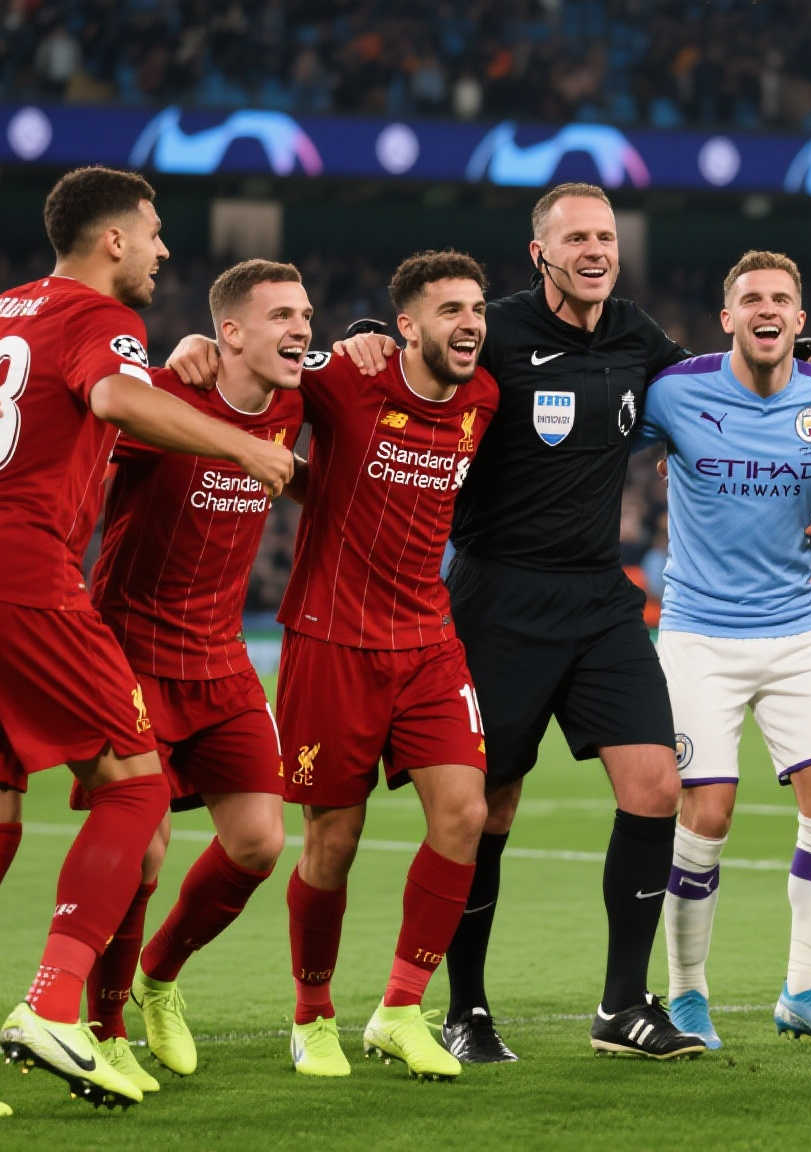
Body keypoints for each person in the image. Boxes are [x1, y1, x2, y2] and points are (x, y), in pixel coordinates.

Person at [269, 182, 811, 1061]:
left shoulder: (636, 336)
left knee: (656, 785)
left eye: (606, 237)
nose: (595, 251)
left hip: (598, 595)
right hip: (498, 597)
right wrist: (365, 331)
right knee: (489, 806)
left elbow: (723, 371)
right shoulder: (497, 331)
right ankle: (466, 1009)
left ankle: (623, 1005)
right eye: (577, 238)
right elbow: (422, 349)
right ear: (540, 253)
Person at [0, 165, 294, 1119]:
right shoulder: (102, 315)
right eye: (153, 232)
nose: (162, 250)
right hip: (21, 578)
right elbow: (110, 398)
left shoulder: (3, 309)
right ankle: (53, 1003)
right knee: (136, 788)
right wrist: (242, 445)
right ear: (113, 239)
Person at [637, 251, 811, 1050]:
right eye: (751, 298)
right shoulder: (676, 393)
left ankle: (804, 990)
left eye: (781, 299)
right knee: (707, 811)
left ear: (799, 318)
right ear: (727, 318)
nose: (767, 308)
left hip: (795, 629)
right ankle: (687, 994)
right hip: (698, 633)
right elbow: (593, 448)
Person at [79, 260, 310, 1089]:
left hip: (219, 654)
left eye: (307, 316)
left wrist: (360, 342)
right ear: (231, 333)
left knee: (259, 842)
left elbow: (369, 374)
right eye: (282, 316)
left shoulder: (294, 400)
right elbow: (88, 411)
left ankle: (158, 977)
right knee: (141, 852)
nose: (301, 329)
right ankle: (103, 1028)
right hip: (128, 652)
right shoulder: (165, 398)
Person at [274, 251, 497, 1082]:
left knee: (465, 814)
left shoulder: (484, 397)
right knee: (333, 840)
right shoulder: (344, 378)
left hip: (429, 640)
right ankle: (312, 1015)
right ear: (406, 326)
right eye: (450, 310)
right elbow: (253, 373)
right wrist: (194, 347)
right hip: (331, 641)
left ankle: (400, 1010)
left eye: (477, 309)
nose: (470, 323)